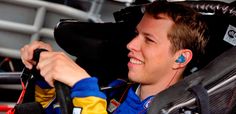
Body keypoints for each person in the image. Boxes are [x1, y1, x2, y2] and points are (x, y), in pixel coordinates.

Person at [20, 1, 208, 114]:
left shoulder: (177, 109)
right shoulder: (117, 90)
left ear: (181, 59)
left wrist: (84, 86)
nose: (131, 45)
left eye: (149, 40)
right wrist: (45, 73)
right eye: (136, 35)